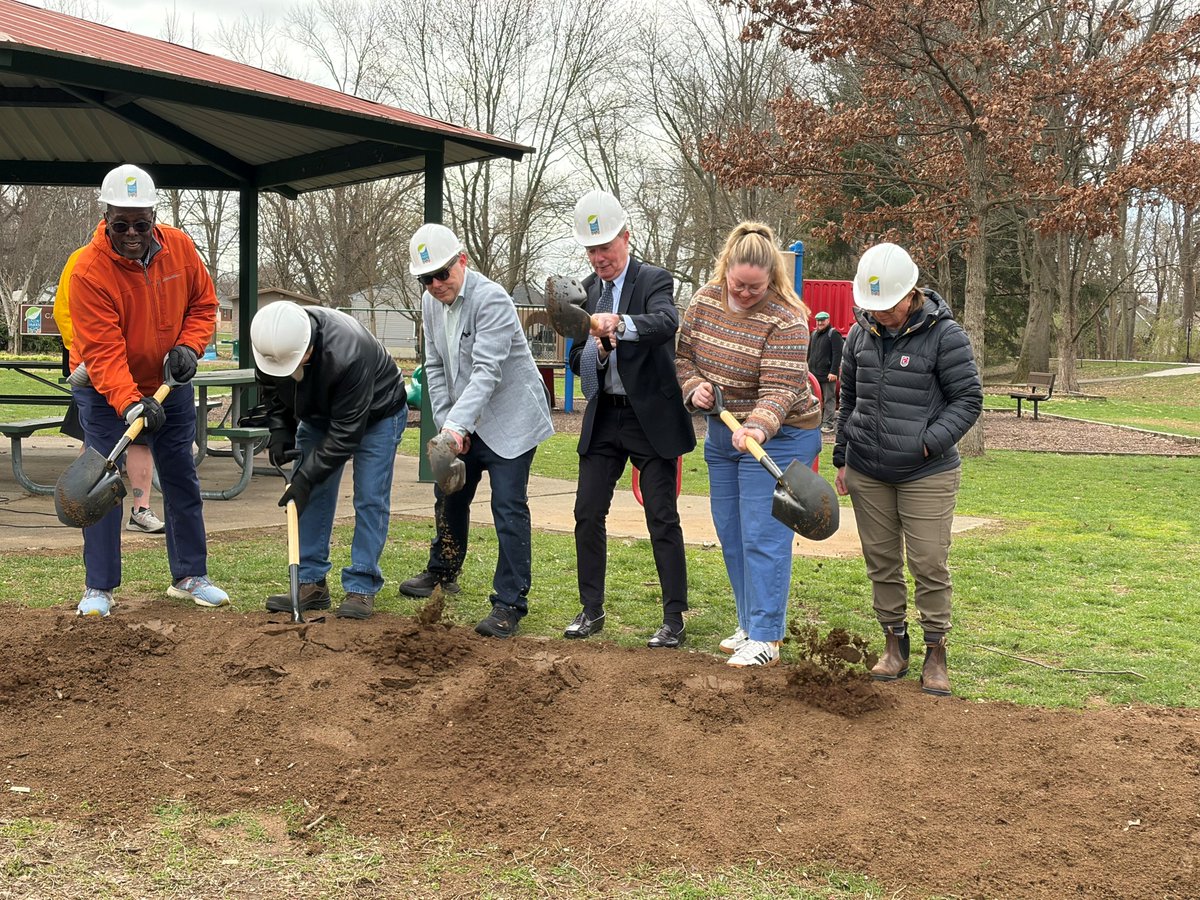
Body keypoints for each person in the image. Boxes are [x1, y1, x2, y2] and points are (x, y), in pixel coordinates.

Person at [66, 164, 229, 616]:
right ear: (107, 217)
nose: (132, 233)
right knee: (102, 483)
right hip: (105, 392)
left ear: (153, 216)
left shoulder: (179, 247)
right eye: (121, 224)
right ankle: (99, 588)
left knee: (181, 476)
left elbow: (204, 303)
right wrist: (129, 403)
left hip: (168, 383)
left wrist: (189, 347)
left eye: (141, 223)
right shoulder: (88, 271)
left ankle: (190, 575)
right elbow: (102, 351)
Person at [833, 242, 982, 696]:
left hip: (926, 473)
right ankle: (894, 646)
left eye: (889, 305)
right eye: (872, 306)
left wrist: (927, 443)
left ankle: (935, 652)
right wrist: (842, 457)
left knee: (929, 564)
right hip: (867, 470)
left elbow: (968, 399)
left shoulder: (945, 335)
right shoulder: (859, 335)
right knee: (881, 563)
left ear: (911, 292)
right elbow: (848, 400)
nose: (881, 314)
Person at [677, 222, 822, 667]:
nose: (743, 293)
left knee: (763, 533)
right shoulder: (704, 301)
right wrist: (695, 385)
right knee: (732, 531)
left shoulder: (787, 317)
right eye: (737, 284)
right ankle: (748, 622)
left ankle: (766, 636)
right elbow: (683, 357)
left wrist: (757, 427)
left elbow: (780, 389)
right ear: (725, 271)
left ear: (771, 278)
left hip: (779, 434)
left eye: (754, 287)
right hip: (723, 429)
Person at [398, 223, 553, 638]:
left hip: (510, 419)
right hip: (463, 418)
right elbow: (434, 366)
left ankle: (509, 603)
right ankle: (443, 569)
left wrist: (455, 425)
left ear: (462, 261)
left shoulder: (492, 300)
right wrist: (450, 425)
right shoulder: (431, 305)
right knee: (449, 494)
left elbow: (486, 372)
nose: (434, 284)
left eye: (442, 274)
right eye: (425, 278)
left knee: (507, 507)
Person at [565, 190, 695, 649]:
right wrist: (595, 350)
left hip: (651, 420)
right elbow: (575, 356)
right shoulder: (583, 290)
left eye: (605, 247)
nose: (598, 258)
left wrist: (617, 324)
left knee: (662, 517)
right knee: (586, 512)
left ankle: (674, 617)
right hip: (605, 419)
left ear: (626, 236)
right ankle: (591, 609)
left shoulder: (654, 279)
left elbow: (664, 323)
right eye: (591, 249)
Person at [250, 301, 408, 620]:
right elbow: (273, 394)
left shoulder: (349, 352)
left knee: (369, 497)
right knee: (310, 497)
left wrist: (307, 477)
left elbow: (346, 434)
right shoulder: (270, 347)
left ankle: (362, 585)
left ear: (309, 346)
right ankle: (311, 584)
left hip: (378, 413)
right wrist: (280, 433)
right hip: (320, 416)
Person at [55, 246, 165, 535]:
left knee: (141, 439)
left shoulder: (148, 266)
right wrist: (86, 350)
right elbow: (63, 312)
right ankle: (83, 501)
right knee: (95, 444)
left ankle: (141, 509)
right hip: (94, 371)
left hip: (137, 372)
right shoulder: (82, 262)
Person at [809, 310, 844, 434]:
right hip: (814, 374)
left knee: (829, 399)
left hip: (828, 374)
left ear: (828, 320)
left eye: (822, 320)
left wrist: (834, 372)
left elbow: (837, 354)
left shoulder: (833, 334)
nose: (820, 323)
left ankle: (828, 424)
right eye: (818, 320)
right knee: (813, 399)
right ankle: (814, 422)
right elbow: (810, 354)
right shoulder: (813, 334)